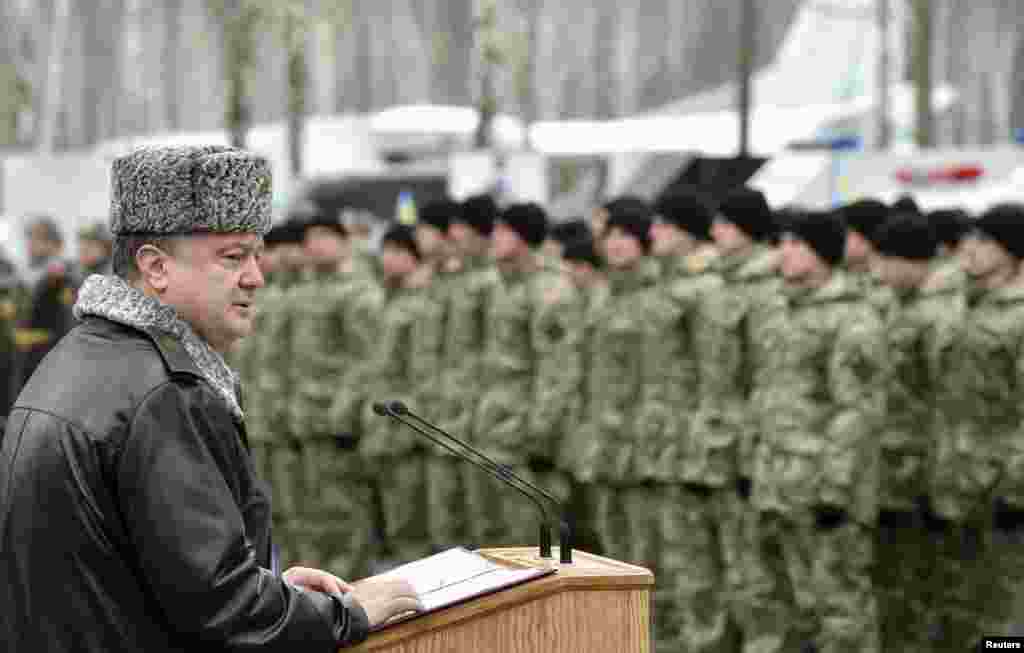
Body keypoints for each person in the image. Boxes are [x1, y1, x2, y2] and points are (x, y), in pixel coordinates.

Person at [0, 145, 420, 652]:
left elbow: (151, 578)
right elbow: (225, 609)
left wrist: (274, 589)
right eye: (232, 257)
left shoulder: (83, 356)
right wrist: (344, 614)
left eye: (257, 255)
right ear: (155, 268)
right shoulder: (164, 392)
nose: (255, 277)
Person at [755, 210, 886, 652]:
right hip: (782, 483)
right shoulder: (781, 311)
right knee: (800, 607)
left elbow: (857, 412)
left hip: (827, 489)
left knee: (841, 609)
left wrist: (835, 488)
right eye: (783, 243)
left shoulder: (853, 319)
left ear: (823, 254)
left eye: (797, 244)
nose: (785, 252)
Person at [868, 212, 965, 652]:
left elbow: (949, 402)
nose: (879, 270)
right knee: (901, 584)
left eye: (886, 260)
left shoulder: (940, 315)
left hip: (930, 467)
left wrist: (940, 474)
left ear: (911, 261)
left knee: (938, 584)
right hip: (896, 465)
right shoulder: (899, 305)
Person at [933, 204, 1024, 647]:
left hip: (1005, 484)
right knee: (968, 604)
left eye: (986, 240)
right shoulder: (969, 305)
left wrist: (1017, 487)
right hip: (963, 480)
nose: (972, 249)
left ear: (1012, 251)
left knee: (1008, 611)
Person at [472, 202, 581, 547]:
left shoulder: (549, 290)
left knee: (529, 539)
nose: (495, 238)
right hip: (495, 426)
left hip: (525, 432)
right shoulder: (500, 287)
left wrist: (541, 433)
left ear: (523, 238)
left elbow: (557, 371)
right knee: (495, 538)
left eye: (504, 231)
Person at [352, 224, 442, 563]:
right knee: (390, 527)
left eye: (398, 252)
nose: (388, 259)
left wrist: (414, 425)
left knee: (412, 529)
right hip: (379, 429)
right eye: (386, 251)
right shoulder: (386, 300)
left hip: (406, 429)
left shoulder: (421, 305)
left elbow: (425, 371)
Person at [432, 194, 499, 549]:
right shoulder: (457, 279)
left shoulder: (492, 284)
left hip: (487, 413)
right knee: (457, 521)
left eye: (462, 228)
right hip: (455, 409)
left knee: (491, 527)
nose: (454, 235)